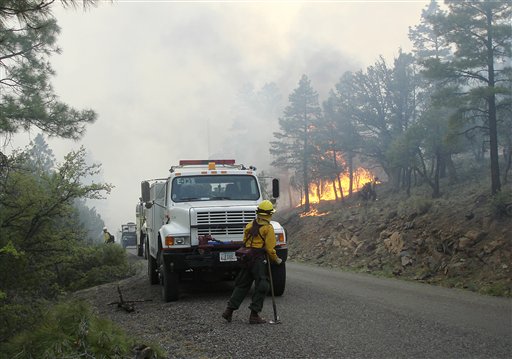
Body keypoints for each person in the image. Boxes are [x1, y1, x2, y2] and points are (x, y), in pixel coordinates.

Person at [221, 200, 283, 324]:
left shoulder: (249, 225)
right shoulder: (268, 228)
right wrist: (277, 260)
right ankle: (254, 315)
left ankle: (229, 311)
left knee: (242, 285)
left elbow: (245, 241)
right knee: (262, 285)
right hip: (259, 261)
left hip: (247, 259)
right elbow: (270, 249)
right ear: (270, 214)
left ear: (258, 212)